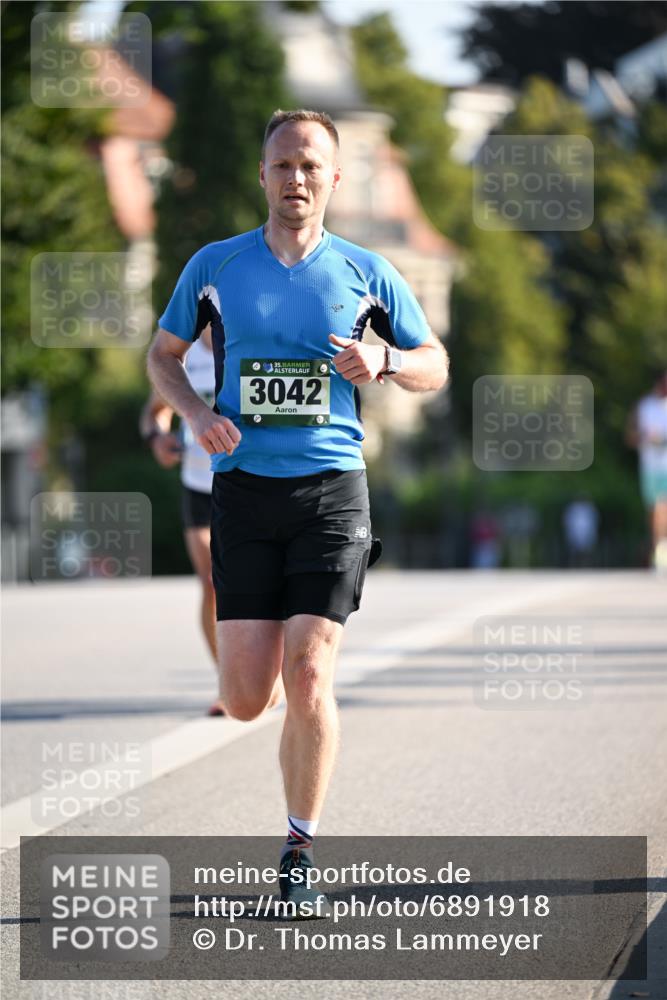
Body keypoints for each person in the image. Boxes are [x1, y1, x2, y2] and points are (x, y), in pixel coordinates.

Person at [147, 108, 449, 915]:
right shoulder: (215, 266)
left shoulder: (367, 272)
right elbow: (162, 355)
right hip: (243, 491)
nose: (296, 179)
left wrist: (386, 357)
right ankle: (274, 690)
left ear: (335, 178)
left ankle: (298, 853)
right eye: (282, 165)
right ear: (263, 175)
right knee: (248, 697)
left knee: (311, 669)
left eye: (311, 165)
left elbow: (435, 364)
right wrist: (194, 412)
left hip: (330, 492)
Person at [140, 325, 227, 716]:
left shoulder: (243, 338)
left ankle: (261, 665)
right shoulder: (184, 354)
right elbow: (154, 413)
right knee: (211, 583)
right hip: (198, 483)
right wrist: (158, 440)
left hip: (244, 483)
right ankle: (227, 681)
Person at [627, 371, 667, 571]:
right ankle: (658, 547)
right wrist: (645, 438)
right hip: (650, 467)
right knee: (654, 510)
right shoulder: (644, 406)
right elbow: (630, 436)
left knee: (663, 507)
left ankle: (662, 548)